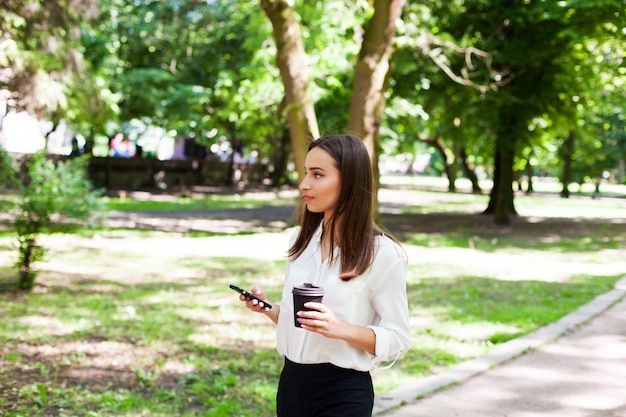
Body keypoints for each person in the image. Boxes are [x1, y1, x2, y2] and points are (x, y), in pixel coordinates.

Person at [237, 134, 411, 417]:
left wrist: (340, 328)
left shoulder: (383, 253)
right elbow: (303, 324)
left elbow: (398, 339)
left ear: (351, 181)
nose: (304, 184)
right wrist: (270, 310)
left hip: (343, 392)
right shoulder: (300, 241)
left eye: (318, 174)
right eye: (306, 173)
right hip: (292, 386)